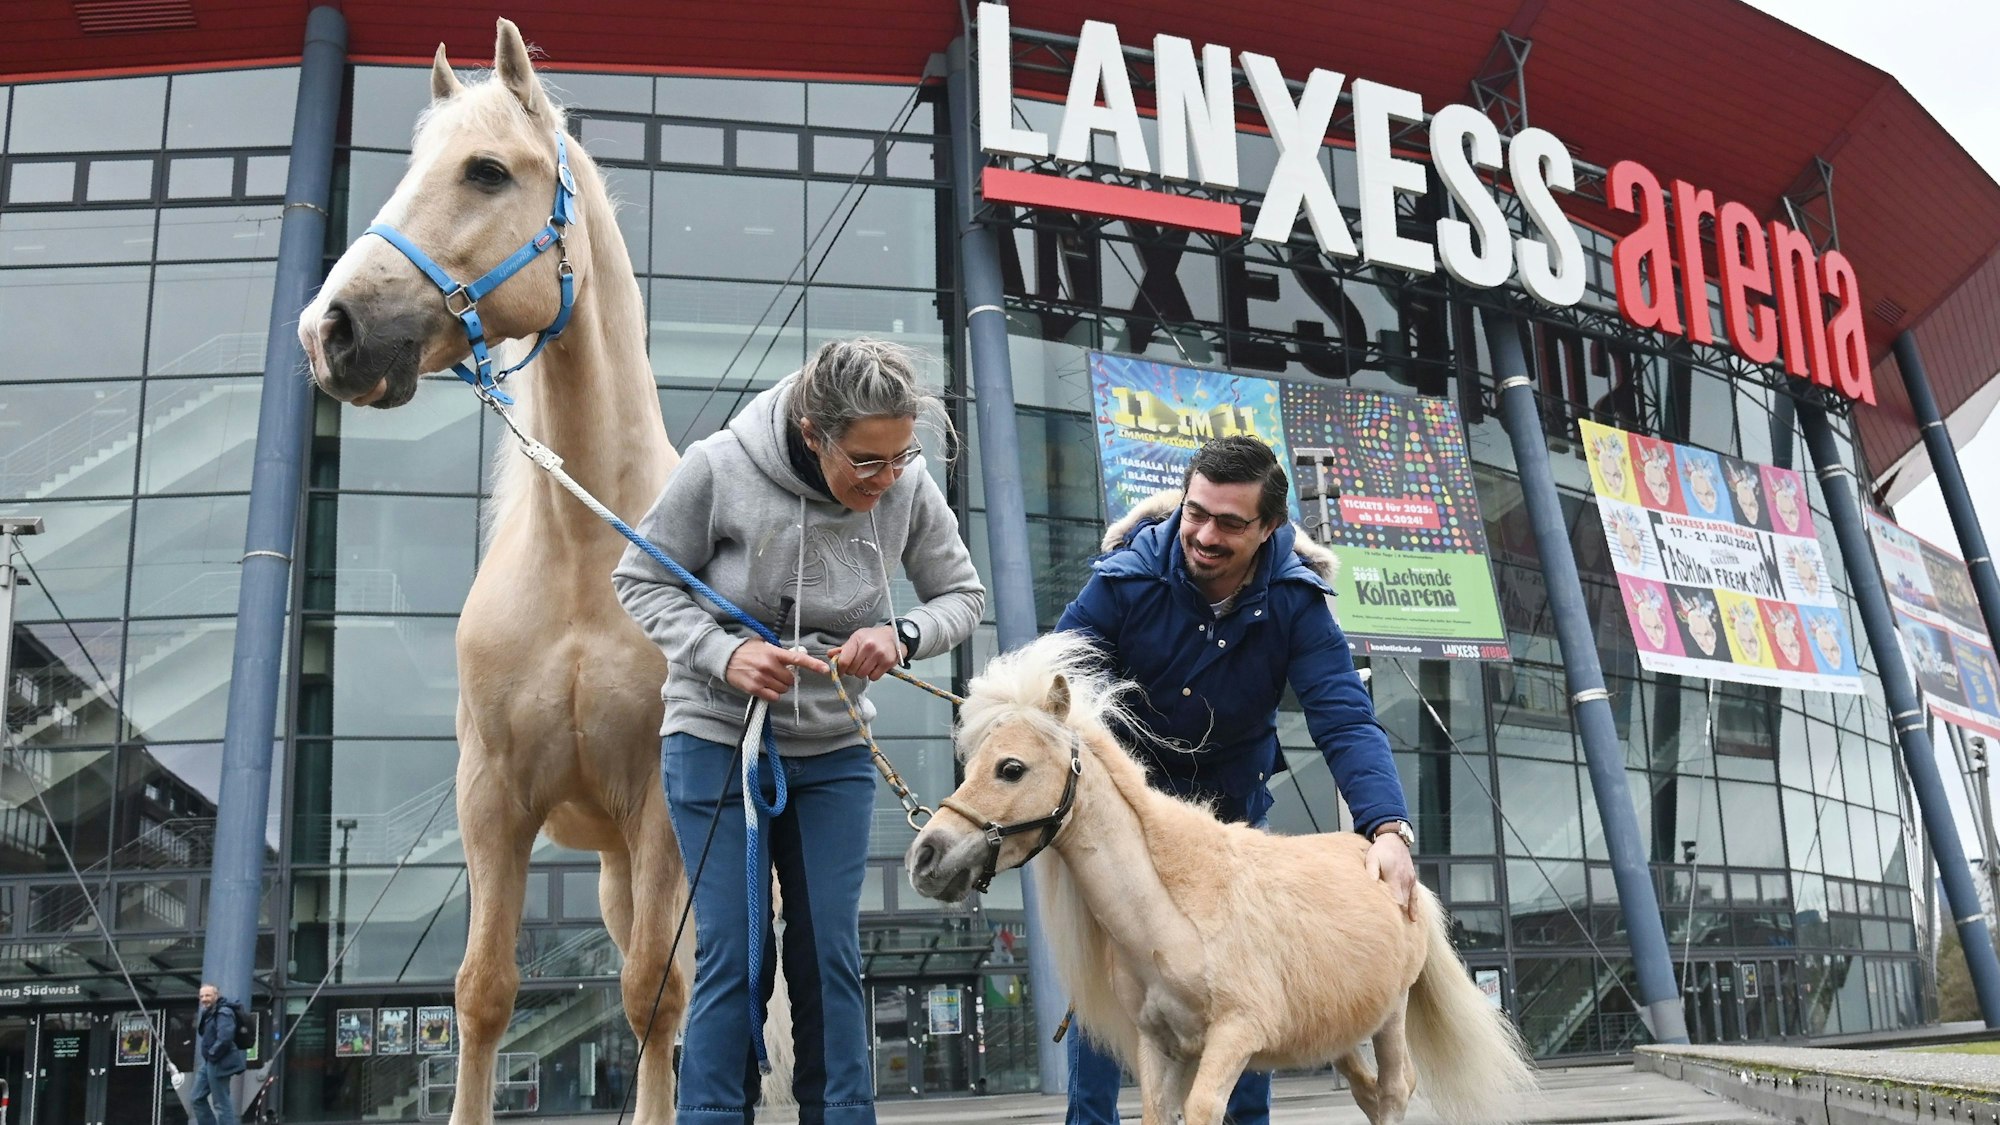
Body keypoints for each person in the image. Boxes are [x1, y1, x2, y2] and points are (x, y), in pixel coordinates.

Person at [615, 338, 985, 1124]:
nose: (886, 479)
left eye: (900, 457)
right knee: (735, 951)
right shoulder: (718, 466)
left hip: (836, 750)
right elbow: (639, 578)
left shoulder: (907, 483)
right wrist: (723, 653)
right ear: (814, 432)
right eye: (867, 461)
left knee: (828, 952)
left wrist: (904, 635)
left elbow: (961, 595)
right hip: (715, 741)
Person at [1055, 435, 1416, 1125]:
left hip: (1230, 813)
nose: (1204, 535)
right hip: (1129, 815)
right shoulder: (1123, 579)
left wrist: (1388, 827)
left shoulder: (1296, 601)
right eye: (1195, 513)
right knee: (1111, 991)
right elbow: (1057, 681)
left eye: (1229, 523)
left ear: (1269, 528)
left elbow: (1343, 717)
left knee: (1244, 991)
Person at [191, 983, 246, 1125]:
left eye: (208, 995)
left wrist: (212, 1054)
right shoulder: (210, 1012)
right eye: (201, 996)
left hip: (219, 1061)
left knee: (221, 1102)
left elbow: (225, 1038)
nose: (204, 999)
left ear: (216, 996)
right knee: (196, 1098)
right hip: (210, 1061)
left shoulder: (223, 1012)